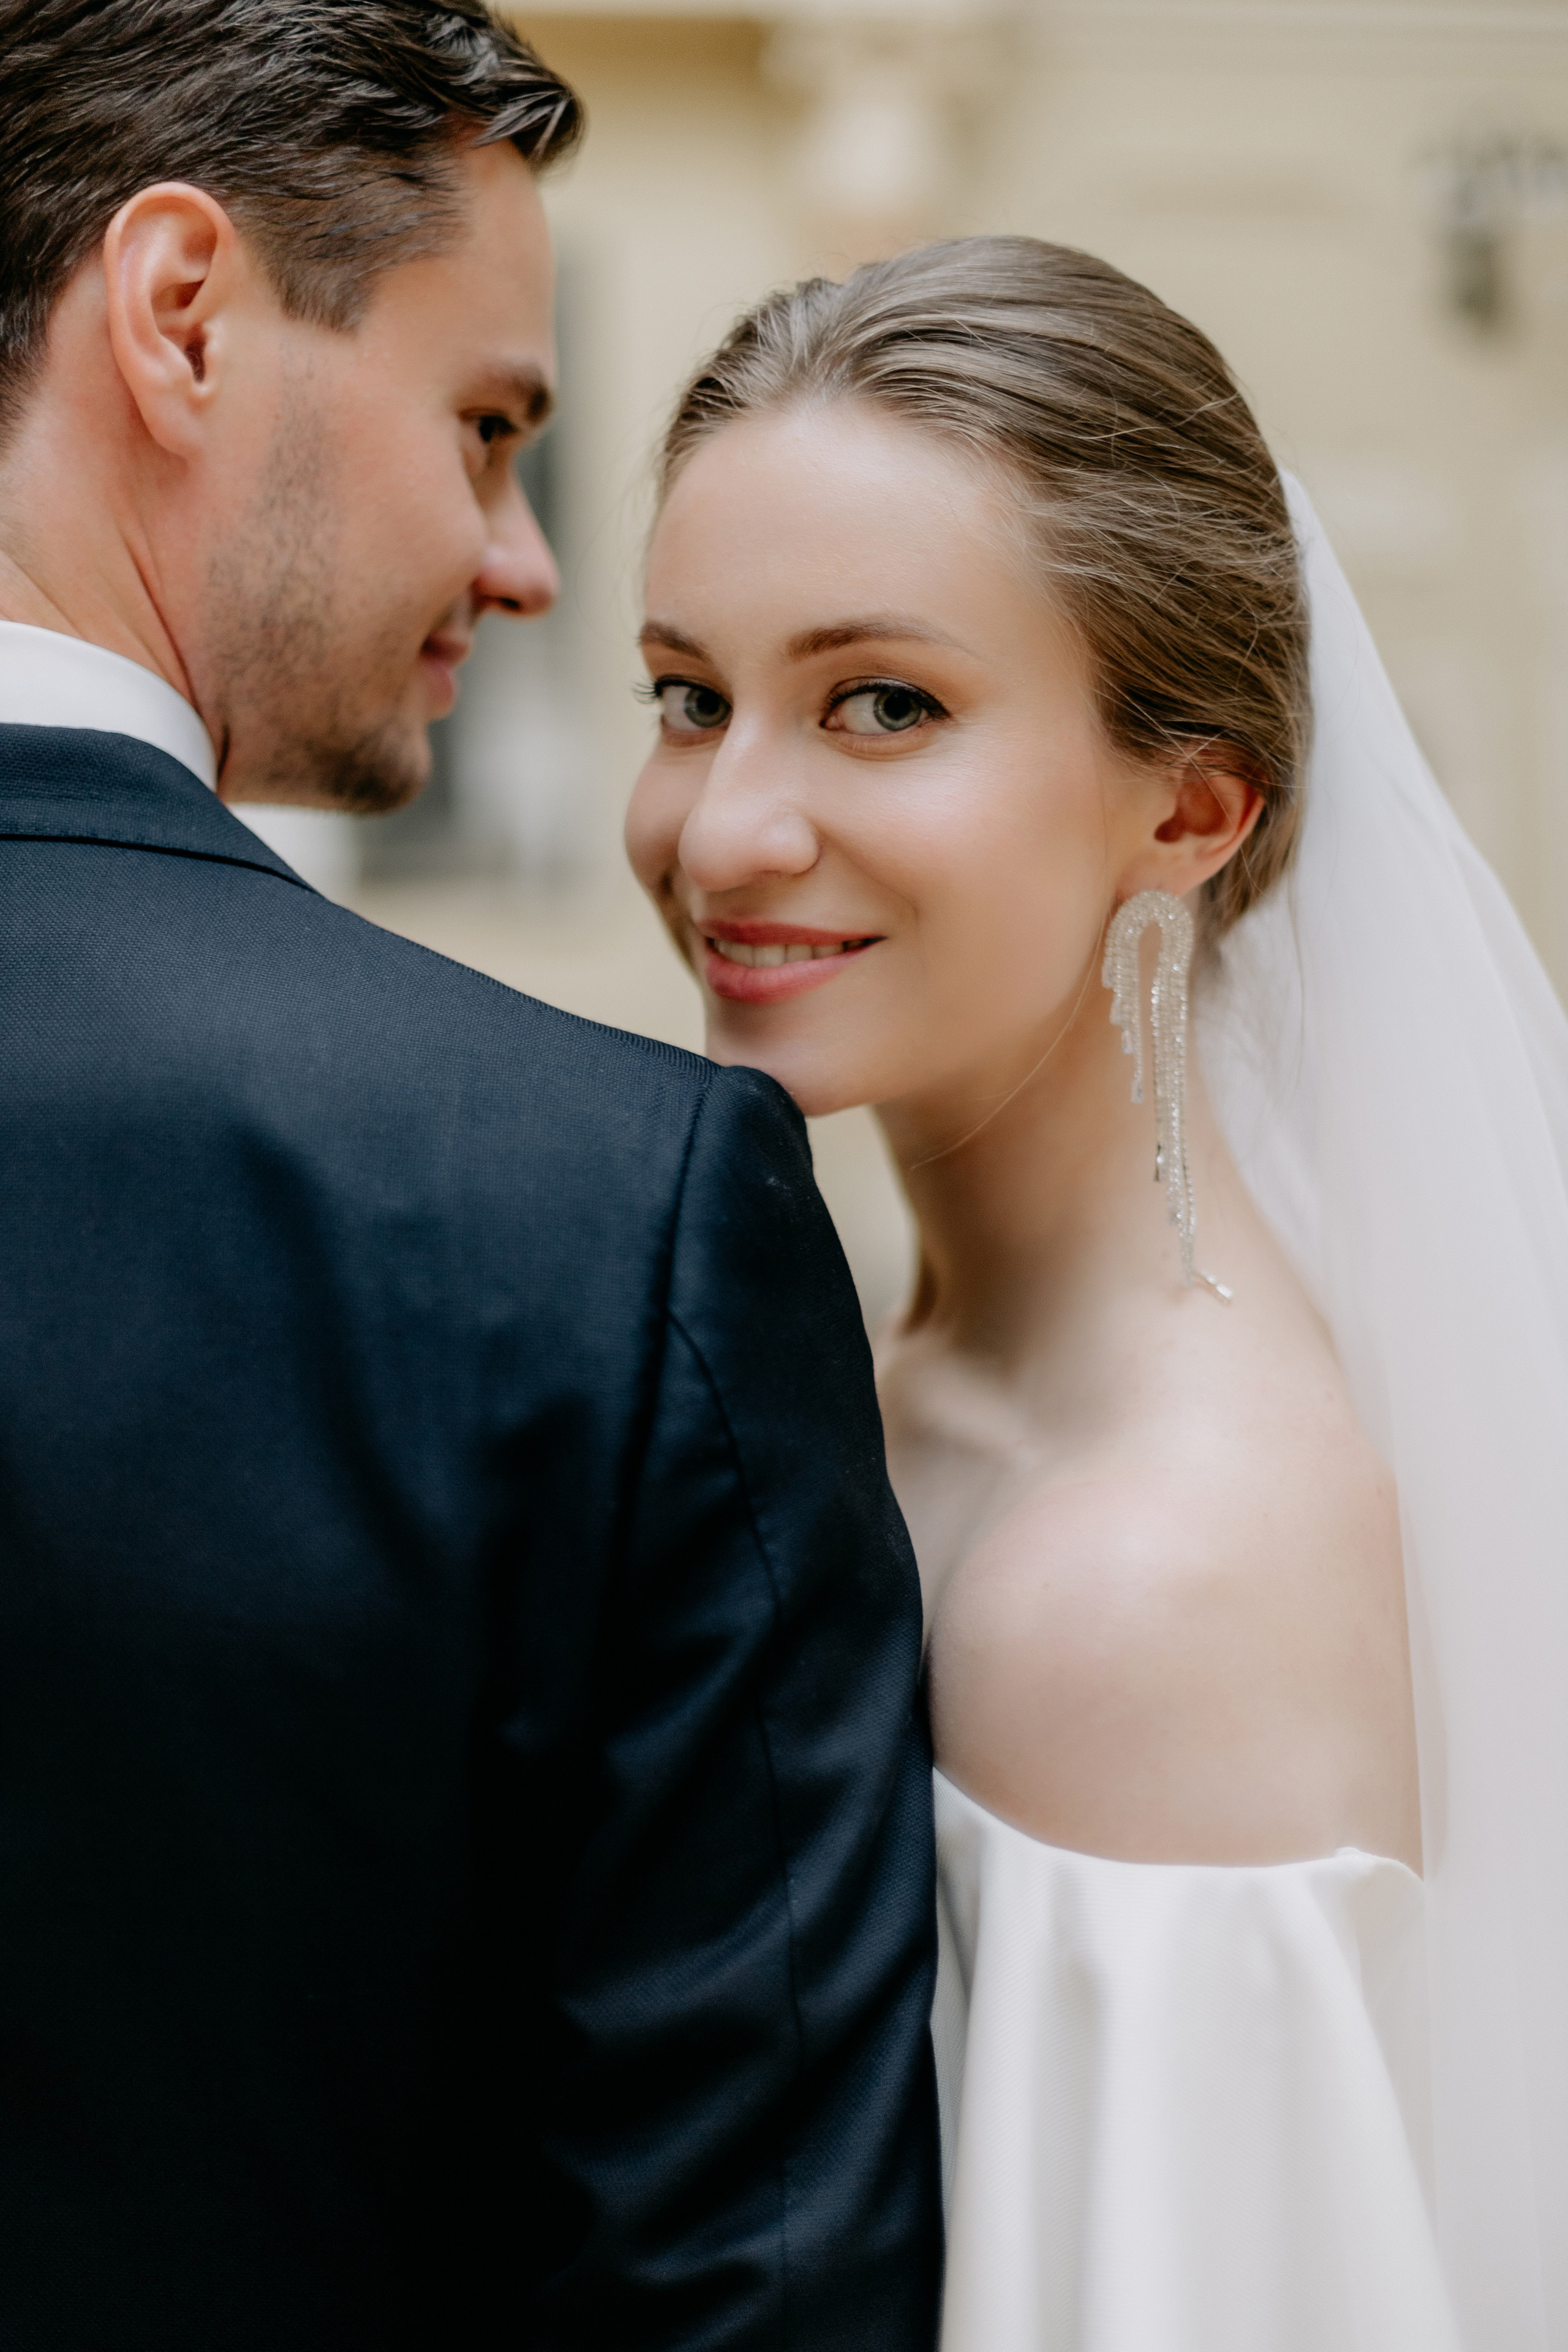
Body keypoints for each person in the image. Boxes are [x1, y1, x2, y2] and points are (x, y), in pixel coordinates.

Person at [0, 6, 942, 2346]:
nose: (518, 562)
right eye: (492, 428)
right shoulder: (605, 1212)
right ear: (183, 315)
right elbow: (753, 2288)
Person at [627, 236, 1568, 2350]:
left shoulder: (1156, 1582)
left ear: (1190, 802)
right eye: (690, 696)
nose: (724, 826)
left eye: (884, 704)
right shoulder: (902, 1369)